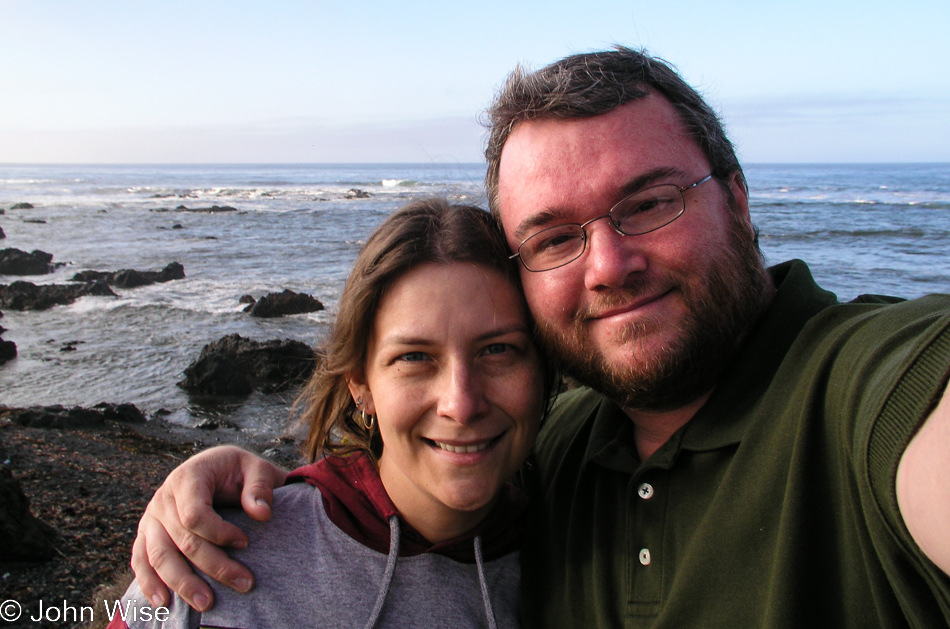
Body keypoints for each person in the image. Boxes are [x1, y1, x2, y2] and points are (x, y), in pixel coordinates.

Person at [132, 48, 950, 628]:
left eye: (650, 201)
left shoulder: (868, 388)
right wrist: (275, 488)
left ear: (736, 198)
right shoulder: (561, 447)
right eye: (555, 237)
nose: (610, 265)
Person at [111, 198, 553, 628]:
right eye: (415, 358)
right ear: (360, 384)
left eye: (498, 350)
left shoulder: (575, 556)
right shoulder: (213, 557)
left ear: (544, 368)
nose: (461, 403)